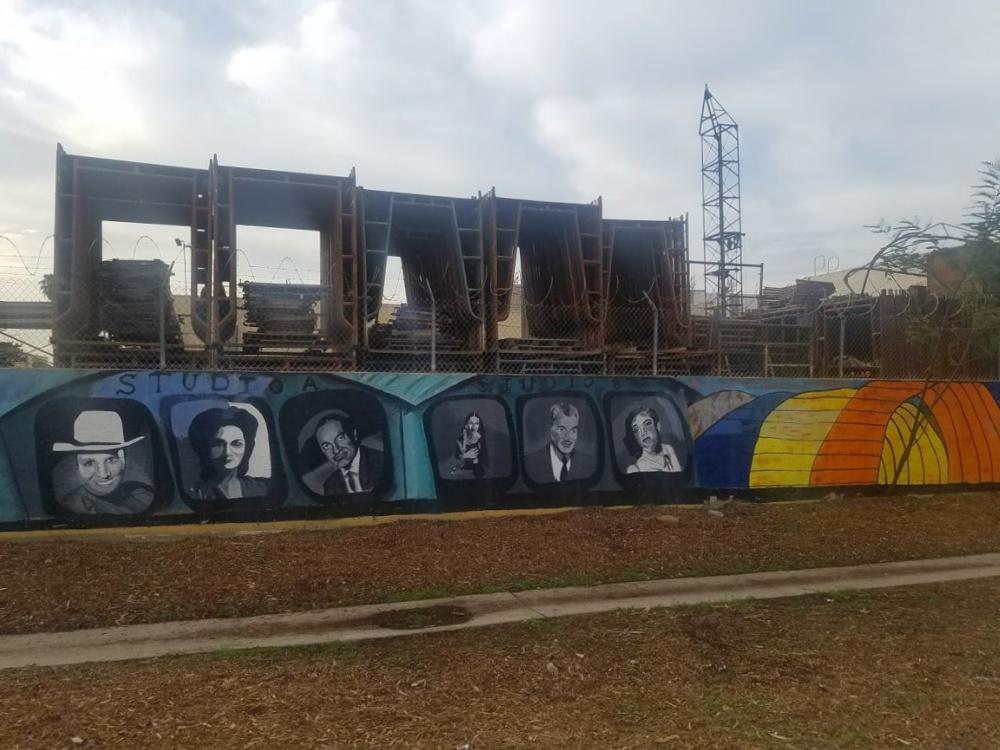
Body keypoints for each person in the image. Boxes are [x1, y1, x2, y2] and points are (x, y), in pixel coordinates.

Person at [53, 410, 155, 515]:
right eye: (89, 463)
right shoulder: (74, 505)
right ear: (77, 466)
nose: (103, 474)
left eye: (111, 460)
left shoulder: (143, 496)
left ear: (123, 459)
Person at [187, 406, 269, 501]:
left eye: (236, 443)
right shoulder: (197, 494)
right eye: (218, 444)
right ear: (206, 448)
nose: (227, 452)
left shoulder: (258, 489)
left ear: (247, 448)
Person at [315, 411, 384, 495]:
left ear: (354, 434)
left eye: (340, 438)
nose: (336, 450)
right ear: (322, 451)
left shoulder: (381, 462)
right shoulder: (329, 485)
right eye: (327, 446)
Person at [524, 402, 595, 483]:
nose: (568, 437)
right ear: (550, 430)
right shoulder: (532, 462)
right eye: (562, 429)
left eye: (573, 430)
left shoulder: (588, 463)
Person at [624, 406, 682, 474]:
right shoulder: (636, 469)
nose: (643, 433)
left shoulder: (668, 449)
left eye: (647, 424)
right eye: (636, 430)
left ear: (658, 426)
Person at [450, 411, 489, 479]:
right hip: (463, 475)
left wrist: (476, 461)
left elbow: (487, 465)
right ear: (466, 425)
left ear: (479, 425)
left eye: (476, 423)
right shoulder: (460, 441)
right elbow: (452, 466)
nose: (473, 426)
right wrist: (465, 456)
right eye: (471, 423)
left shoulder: (483, 440)